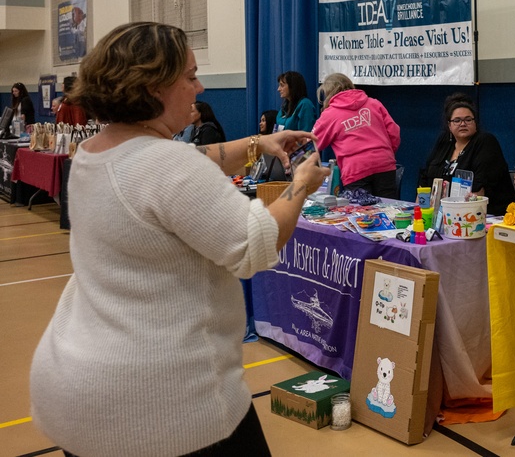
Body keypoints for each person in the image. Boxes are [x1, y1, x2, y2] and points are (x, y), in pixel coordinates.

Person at [30, 22, 328, 457]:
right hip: (162, 406)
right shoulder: (164, 164)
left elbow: (190, 159)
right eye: (189, 76)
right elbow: (256, 242)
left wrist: (259, 144)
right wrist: (300, 185)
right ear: (152, 86)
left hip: (77, 391)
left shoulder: (93, 153)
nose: (200, 86)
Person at [418, 93, 515, 216]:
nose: (463, 124)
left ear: (475, 123)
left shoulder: (485, 142)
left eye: (468, 120)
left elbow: (479, 191)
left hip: (481, 215)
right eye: (457, 120)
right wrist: (419, 214)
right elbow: (425, 178)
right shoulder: (444, 141)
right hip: (441, 215)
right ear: (449, 125)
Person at [313, 72, 400, 198]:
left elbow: (311, 143)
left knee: (361, 215)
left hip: (355, 169)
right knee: (390, 210)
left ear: (328, 93)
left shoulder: (329, 114)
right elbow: (394, 132)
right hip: (384, 164)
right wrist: (384, 154)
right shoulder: (374, 103)